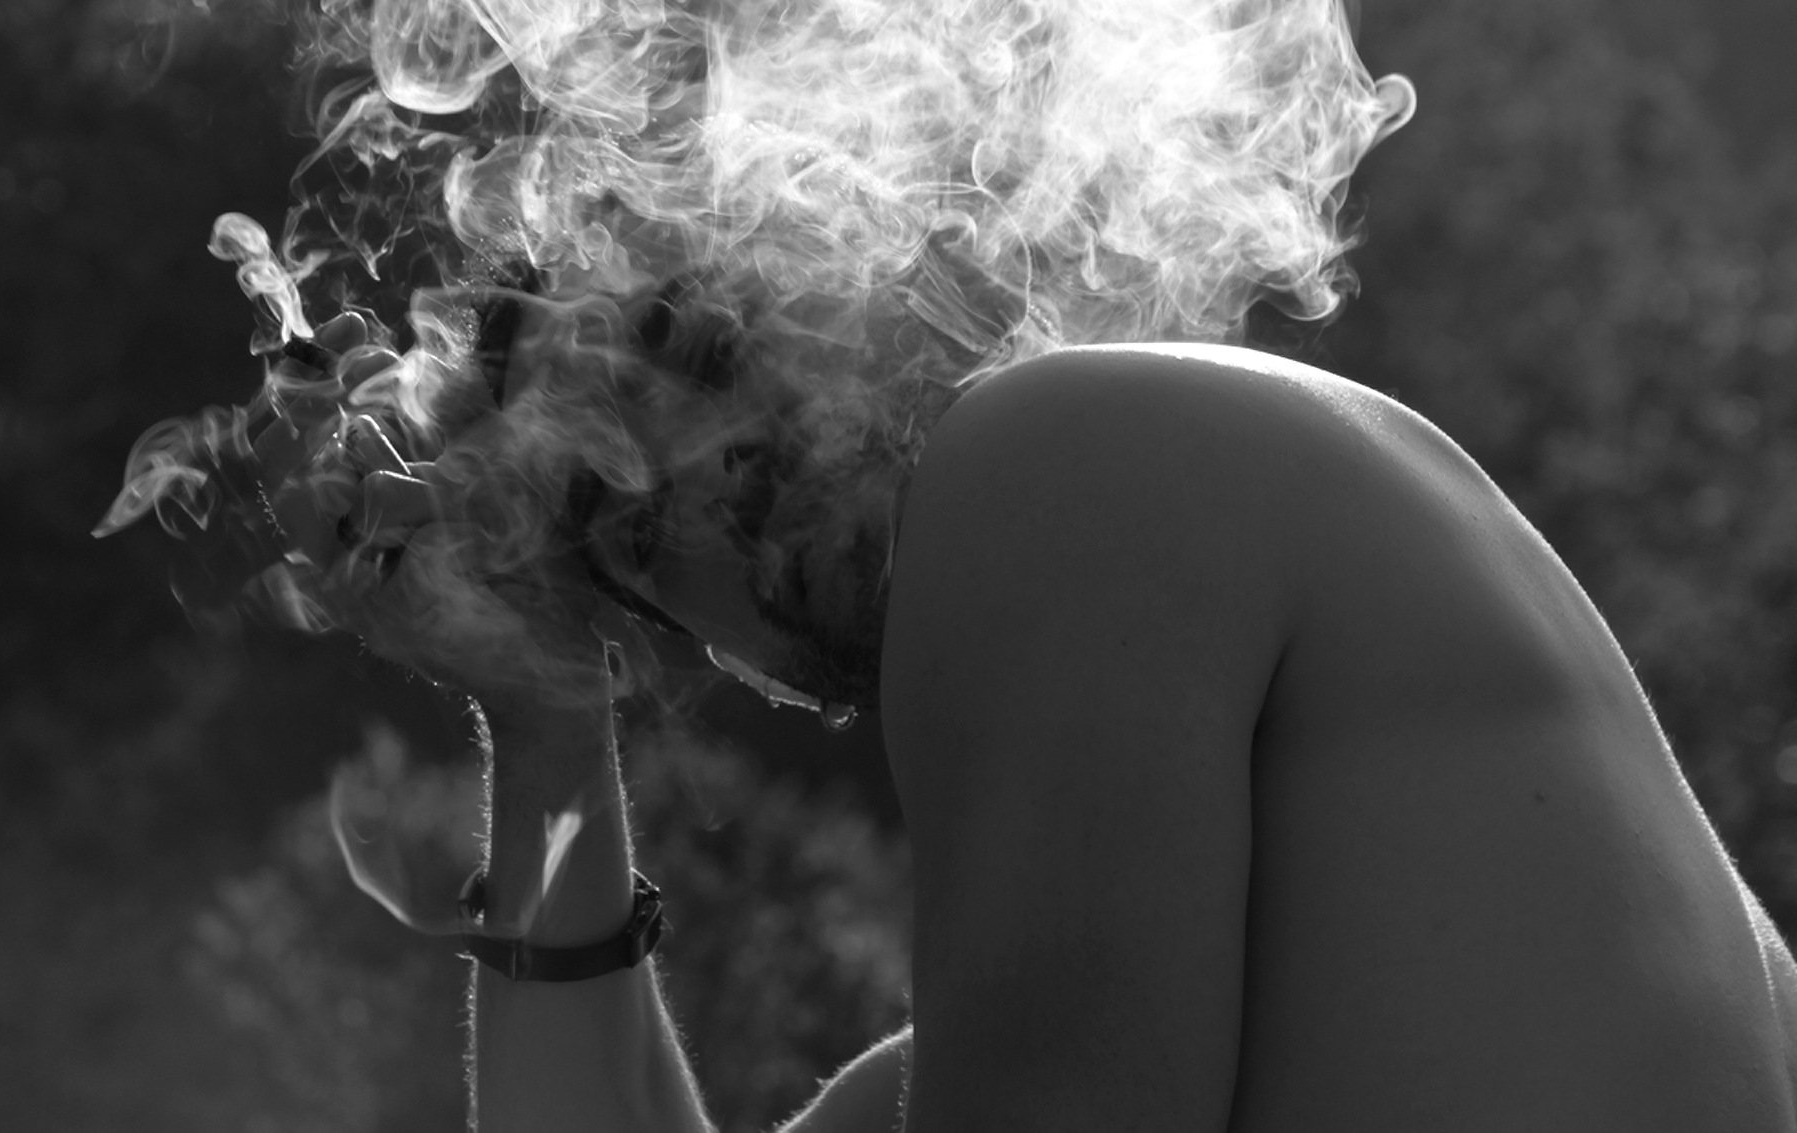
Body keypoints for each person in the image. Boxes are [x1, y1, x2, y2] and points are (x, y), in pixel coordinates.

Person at [305, 338, 1797, 1131]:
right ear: (686, 644)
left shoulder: (1073, 447)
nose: (701, 465)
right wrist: (550, 730)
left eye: (701, 346)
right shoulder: (1011, 1058)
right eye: (611, 508)